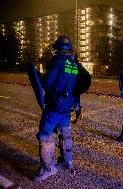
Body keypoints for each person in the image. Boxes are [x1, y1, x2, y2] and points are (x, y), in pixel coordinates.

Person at [33, 35, 79, 182]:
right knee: (65, 133)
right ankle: (68, 160)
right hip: (67, 105)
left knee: (45, 133)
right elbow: (74, 87)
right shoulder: (74, 64)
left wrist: (39, 77)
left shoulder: (58, 62)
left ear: (58, 49)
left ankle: (48, 168)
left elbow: (46, 84)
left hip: (55, 105)